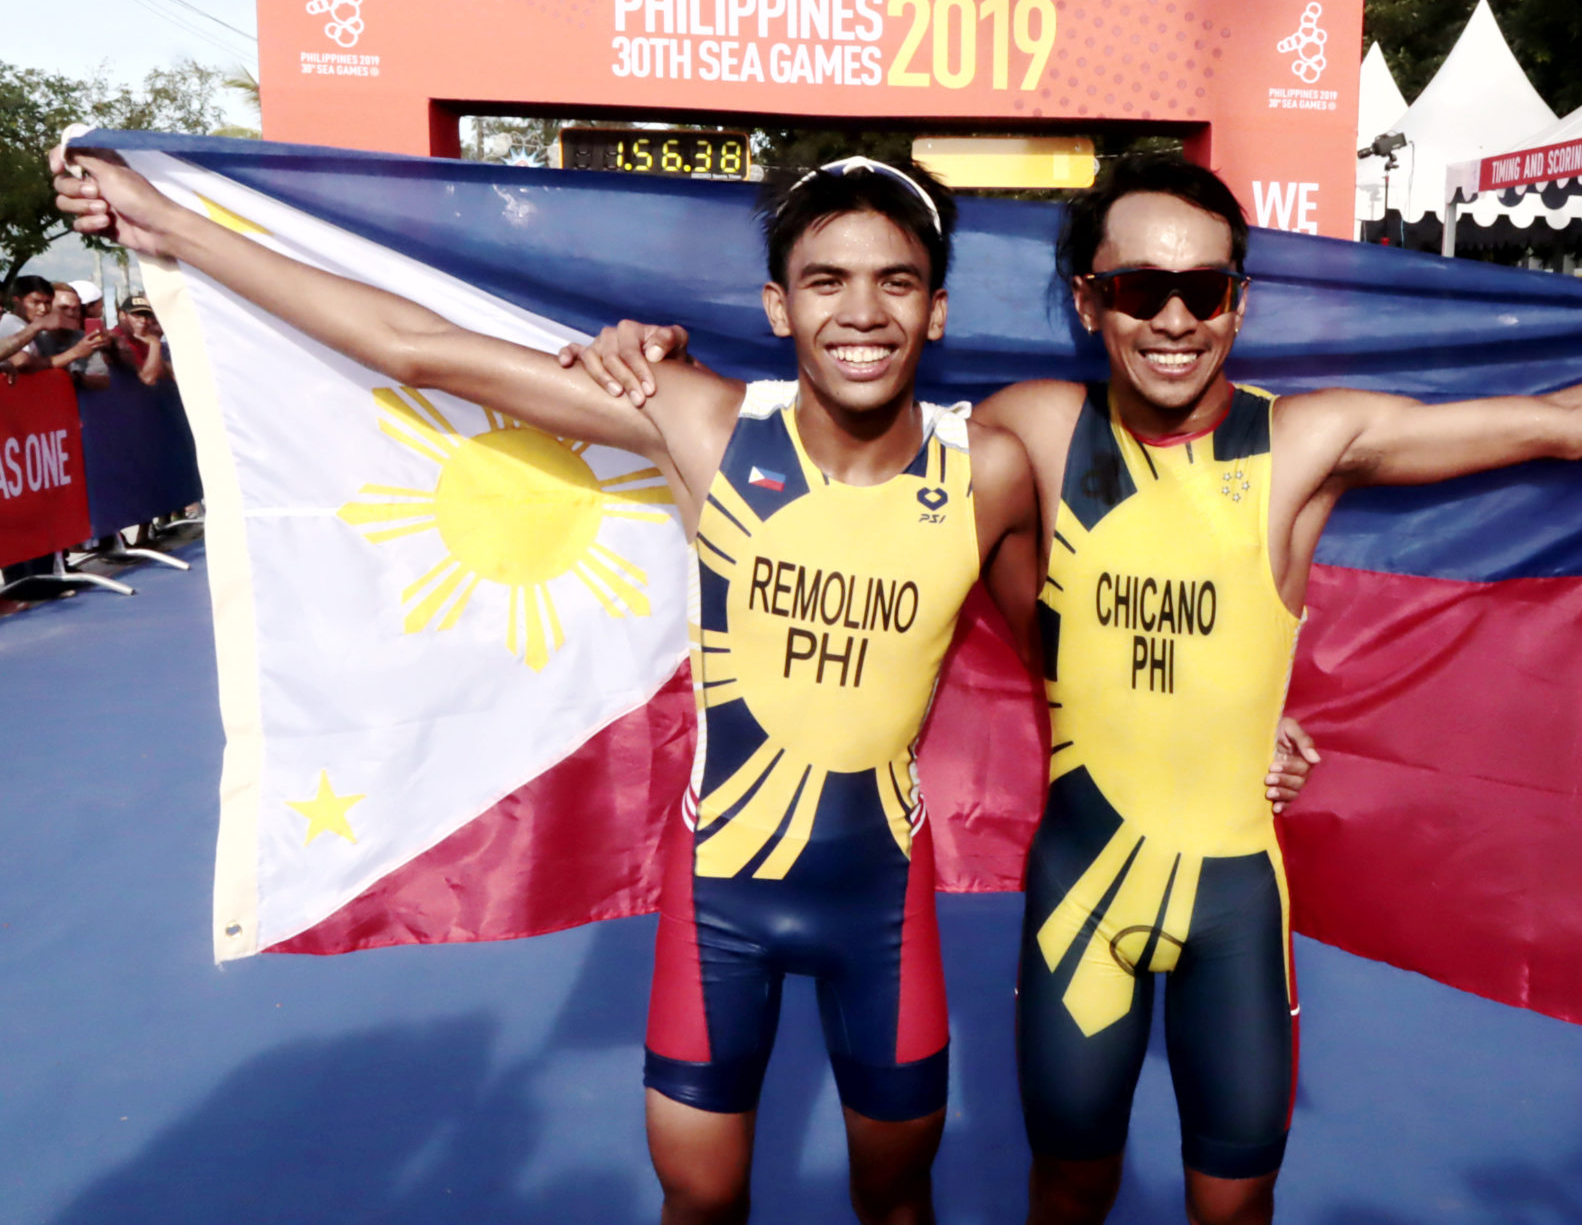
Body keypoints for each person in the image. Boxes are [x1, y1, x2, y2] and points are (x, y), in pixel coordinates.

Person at [563, 154, 1582, 1225]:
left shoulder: (1308, 445)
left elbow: (1567, 425)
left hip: (1235, 900)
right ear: (1090, 299)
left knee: (1238, 1199)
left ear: (1240, 298)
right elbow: (854, 427)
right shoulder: (1029, 429)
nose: (1175, 317)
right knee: (1067, 1193)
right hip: (1080, 903)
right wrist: (648, 353)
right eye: (1141, 289)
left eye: (1205, 288)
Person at [53, 145, 1048, 1225]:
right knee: (700, 1197)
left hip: (880, 908)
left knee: (896, 1195)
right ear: (776, 304)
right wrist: (169, 229)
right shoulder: (703, 425)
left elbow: (1066, 657)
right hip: (721, 905)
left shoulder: (986, 470)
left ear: (937, 310)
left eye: (894, 281)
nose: (862, 312)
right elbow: (416, 347)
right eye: (825, 280)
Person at [108, 293, 172, 385]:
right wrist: (155, 344)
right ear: (122, 315)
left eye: (147, 315)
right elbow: (148, 378)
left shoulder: (142, 340)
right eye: (137, 315)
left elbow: (163, 373)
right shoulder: (116, 339)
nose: (143, 321)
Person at [0, 274, 58, 373]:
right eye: (36, 302)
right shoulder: (11, 323)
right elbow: (21, 362)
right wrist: (76, 352)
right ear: (17, 301)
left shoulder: (30, 327)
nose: (43, 309)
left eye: (47, 303)